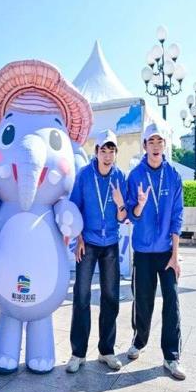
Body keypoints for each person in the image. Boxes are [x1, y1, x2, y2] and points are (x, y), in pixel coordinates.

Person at [125, 122, 186, 380]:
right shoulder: (135, 176)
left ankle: (171, 356)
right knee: (142, 300)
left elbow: (177, 216)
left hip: (166, 251)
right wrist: (139, 204)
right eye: (151, 141)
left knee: (172, 300)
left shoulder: (173, 175)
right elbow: (131, 215)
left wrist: (175, 255)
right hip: (142, 251)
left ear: (164, 145)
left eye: (159, 141)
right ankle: (139, 341)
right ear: (145, 146)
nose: (156, 146)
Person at [66, 129, 127, 373]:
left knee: (110, 297)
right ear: (96, 152)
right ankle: (78, 353)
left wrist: (120, 202)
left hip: (110, 243)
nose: (108, 155)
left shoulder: (120, 177)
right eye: (104, 150)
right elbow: (74, 208)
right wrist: (79, 237)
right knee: (81, 296)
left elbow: (123, 217)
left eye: (112, 150)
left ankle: (106, 351)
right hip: (88, 243)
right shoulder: (84, 175)